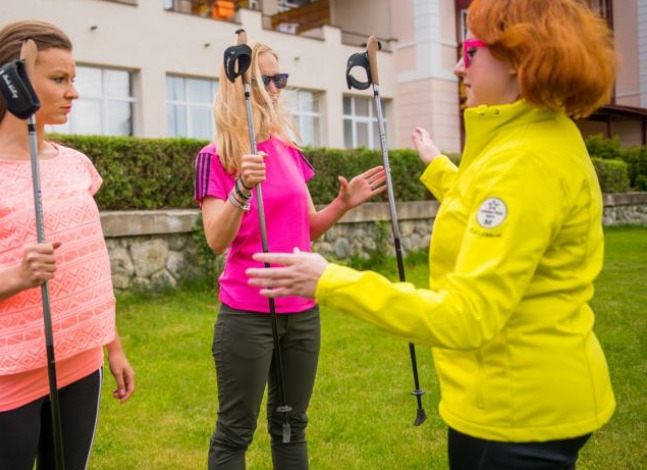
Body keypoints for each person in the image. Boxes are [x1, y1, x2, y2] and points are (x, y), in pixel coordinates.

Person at [247, 0, 618, 468]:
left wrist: (329, 280)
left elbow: (467, 315)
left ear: (518, 61)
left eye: (472, 49)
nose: (459, 64)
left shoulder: (528, 161)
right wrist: (437, 166)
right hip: (491, 401)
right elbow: (485, 205)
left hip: (525, 410)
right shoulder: (522, 140)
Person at [0, 20, 134, 470]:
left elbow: (91, 270)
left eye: (72, 79)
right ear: (14, 81)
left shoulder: (78, 165)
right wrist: (18, 278)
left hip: (81, 364)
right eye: (59, 79)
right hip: (6, 377)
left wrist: (111, 345)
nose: (73, 92)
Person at [194, 39, 386, 469]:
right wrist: (242, 188)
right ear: (239, 84)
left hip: (302, 308)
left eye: (281, 78)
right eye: (266, 79)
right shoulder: (217, 157)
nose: (277, 88)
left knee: (290, 425)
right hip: (247, 312)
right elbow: (215, 239)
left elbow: (306, 229)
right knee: (234, 433)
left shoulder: (287, 151)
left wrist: (342, 203)